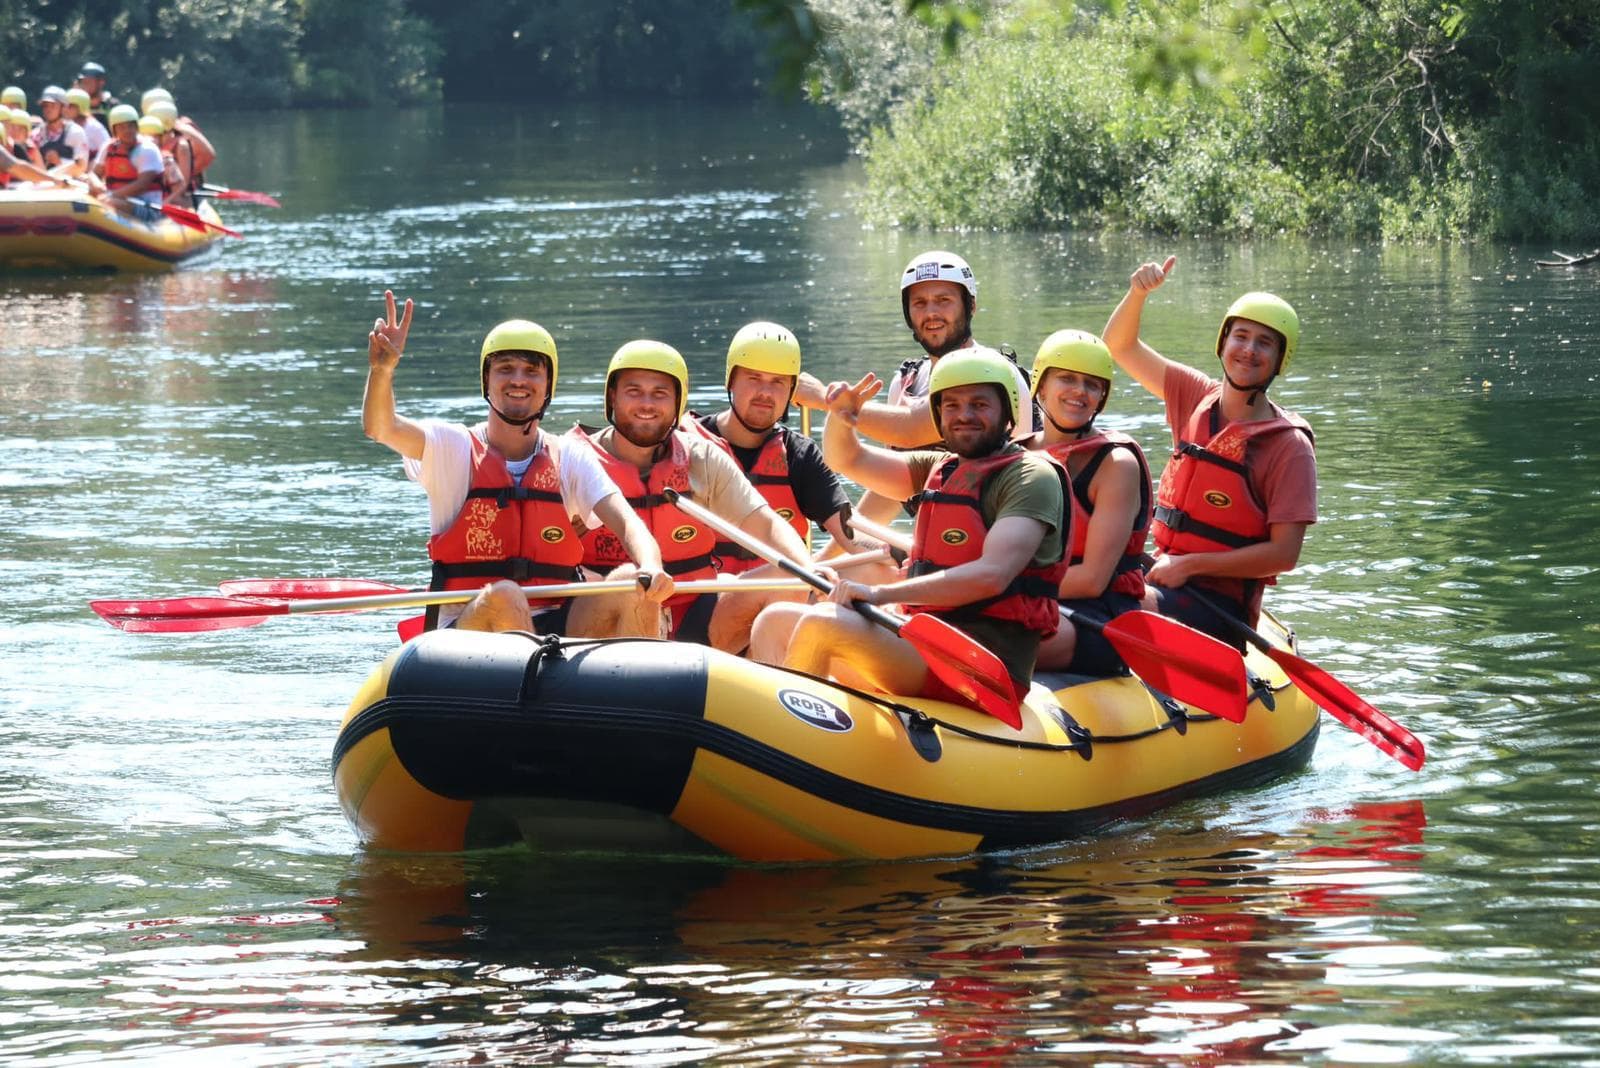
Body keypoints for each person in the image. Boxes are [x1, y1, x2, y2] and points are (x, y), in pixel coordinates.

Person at [751, 351, 1067, 706]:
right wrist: (842, 416)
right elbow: (849, 459)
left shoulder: (1030, 477)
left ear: (1008, 413)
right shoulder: (939, 469)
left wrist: (878, 595)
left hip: (981, 665)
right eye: (951, 406)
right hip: (923, 640)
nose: (964, 415)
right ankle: (776, 734)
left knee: (823, 623)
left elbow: (991, 576)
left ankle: (798, 734)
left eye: (980, 404)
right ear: (938, 414)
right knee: (773, 621)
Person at [363, 291, 674, 636]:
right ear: (487, 381)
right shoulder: (451, 447)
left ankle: (638, 686)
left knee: (629, 582)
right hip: (471, 625)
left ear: (547, 386)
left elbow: (629, 523)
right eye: (505, 369)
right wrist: (382, 371)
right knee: (508, 596)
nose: (518, 380)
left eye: (531, 371)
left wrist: (650, 565)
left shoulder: (569, 456)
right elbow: (381, 427)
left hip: (556, 626)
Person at [1102, 255, 1316, 646]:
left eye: (1264, 342)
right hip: (1164, 572)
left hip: (1221, 607)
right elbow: (1119, 346)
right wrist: (1138, 294)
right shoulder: (1194, 395)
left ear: (1279, 359)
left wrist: (1190, 566)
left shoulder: (1289, 446)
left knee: (1113, 603)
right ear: (1223, 341)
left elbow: (1284, 554)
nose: (1249, 350)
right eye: (1241, 336)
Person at [567, 339, 812, 652]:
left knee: (788, 575)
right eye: (634, 391)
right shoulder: (574, 460)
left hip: (693, 612)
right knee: (631, 582)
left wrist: (805, 567)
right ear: (612, 396)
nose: (647, 404)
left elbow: (765, 524)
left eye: (660, 394)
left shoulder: (701, 458)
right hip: (607, 615)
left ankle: (765, 688)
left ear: (678, 402)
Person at [794, 250, 1037, 524]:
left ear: (970, 306)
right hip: (936, 538)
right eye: (919, 303)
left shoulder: (992, 374)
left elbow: (910, 429)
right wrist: (835, 553)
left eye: (943, 300)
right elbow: (893, 484)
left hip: (1004, 530)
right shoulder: (907, 380)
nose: (931, 312)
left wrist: (824, 398)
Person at [1025, 330, 1153, 674]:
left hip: (1098, 615)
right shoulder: (1015, 454)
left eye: (1092, 384)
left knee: (993, 640)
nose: (1080, 391)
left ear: (1101, 397)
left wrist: (999, 587)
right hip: (1027, 601)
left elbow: (1092, 579)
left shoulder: (1116, 465)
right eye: (1067, 378)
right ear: (1041, 384)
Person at [91, 105, 163, 217]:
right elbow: (94, 174)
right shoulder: (108, 147)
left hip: (147, 206)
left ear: (136, 127)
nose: (127, 131)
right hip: (117, 199)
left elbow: (142, 185)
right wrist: (97, 185)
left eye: (130, 126)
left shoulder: (147, 149)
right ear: (114, 130)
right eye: (121, 127)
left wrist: (112, 195)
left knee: (108, 203)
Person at [145, 98, 215, 197]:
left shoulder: (181, 146)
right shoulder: (149, 139)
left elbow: (183, 185)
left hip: (177, 198)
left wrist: (165, 203)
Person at [29, 87, 88, 179]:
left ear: (63, 108)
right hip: (42, 185)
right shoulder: (35, 135)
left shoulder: (75, 133)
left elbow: (82, 167)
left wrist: (59, 161)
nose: (48, 110)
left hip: (71, 186)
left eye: (52, 105)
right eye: (45, 106)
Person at [65, 87, 108, 157]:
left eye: (70, 106)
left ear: (81, 106)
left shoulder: (94, 127)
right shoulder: (65, 127)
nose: (66, 109)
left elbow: (108, 150)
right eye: (65, 106)